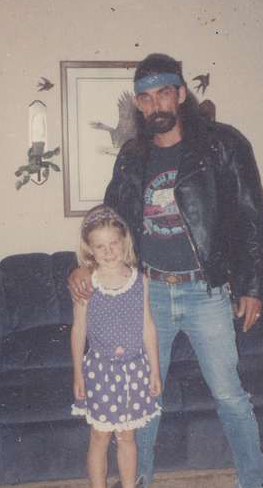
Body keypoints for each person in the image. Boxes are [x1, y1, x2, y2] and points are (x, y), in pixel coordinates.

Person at [69, 53, 263, 488]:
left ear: (180, 94)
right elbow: (110, 218)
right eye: (145, 98)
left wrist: (252, 286)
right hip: (148, 293)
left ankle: (253, 481)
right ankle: (137, 480)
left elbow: (251, 218)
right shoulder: (132, 155)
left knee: (230, 396)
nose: (155, 105)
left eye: (163, 93)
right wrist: (82, 266)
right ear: (138, 104)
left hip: (206, 292)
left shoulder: (223, 144)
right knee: (142, 399)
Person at [70, 204, 162, 488]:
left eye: (113, 244)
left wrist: (155, 371)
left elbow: (148, 327)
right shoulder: (87, 284)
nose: (108, 252)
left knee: (127, 437)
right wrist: (78, 374)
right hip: (100, 372)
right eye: (100, 246)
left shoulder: (140, 281)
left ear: (125, 241)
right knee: (100, 436)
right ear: (89, 249)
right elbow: (78, 330)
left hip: (135, 371)